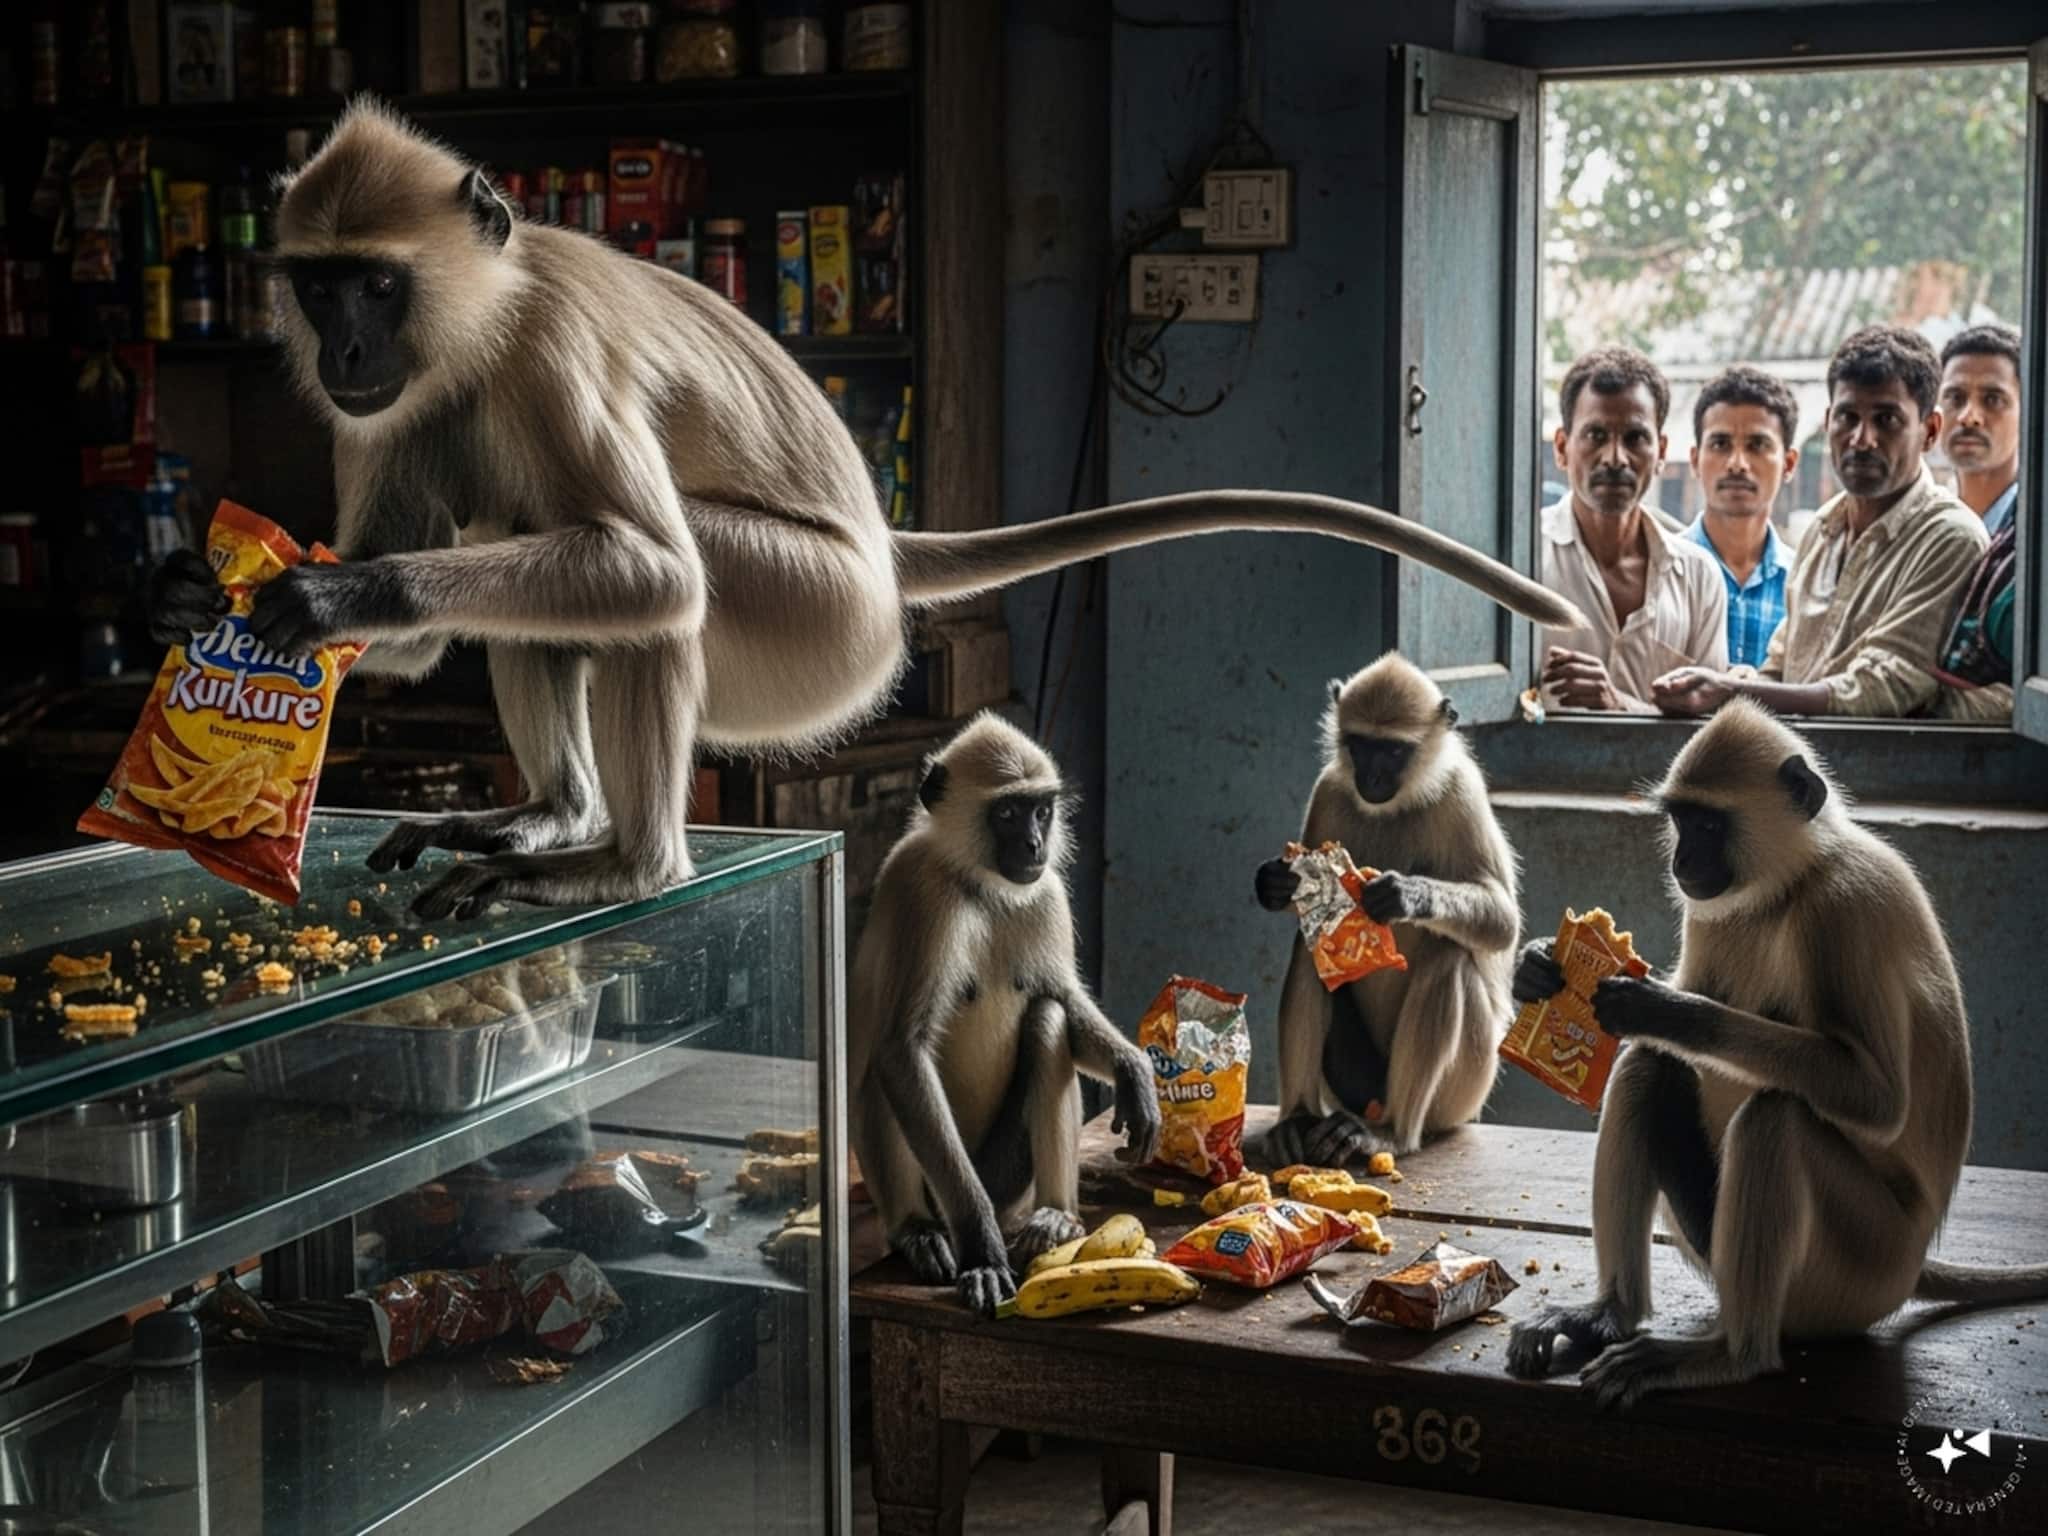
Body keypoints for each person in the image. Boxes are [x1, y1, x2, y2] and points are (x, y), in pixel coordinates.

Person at [1653, 325, 1987, 718]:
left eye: (1887, 419)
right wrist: (1726, 685)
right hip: (1798, 771)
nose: (1862, 439)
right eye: (1848, 417)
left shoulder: (1950, 539)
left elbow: (1882, 687)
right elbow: (1780, 668)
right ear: (1829, 422)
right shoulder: (1824, 528)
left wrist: (1730, 691)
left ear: (1930, 431)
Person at [1538, 346, 1727, 713]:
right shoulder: (1524, 557)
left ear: (1660, 452)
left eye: (1635, 438)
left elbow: (1711, 727)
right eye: (1595, 435)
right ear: (1562, 448)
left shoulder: (1699, 577)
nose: (1614, 458)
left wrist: (1619, 704)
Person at [1929, 323, 2020, 721]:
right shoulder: (1925, 527)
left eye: (1993, 399)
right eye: (1956, 398)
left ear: (2027, 411)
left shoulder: (2031, 539)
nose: (1969, 417)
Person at [1685, 366, 1798, 670]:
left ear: (1789, 463)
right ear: (1695, 460)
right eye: (1720, 444)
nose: (1737, 464)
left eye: (1757, 445)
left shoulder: (1805, 586)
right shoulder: (1662, 572)